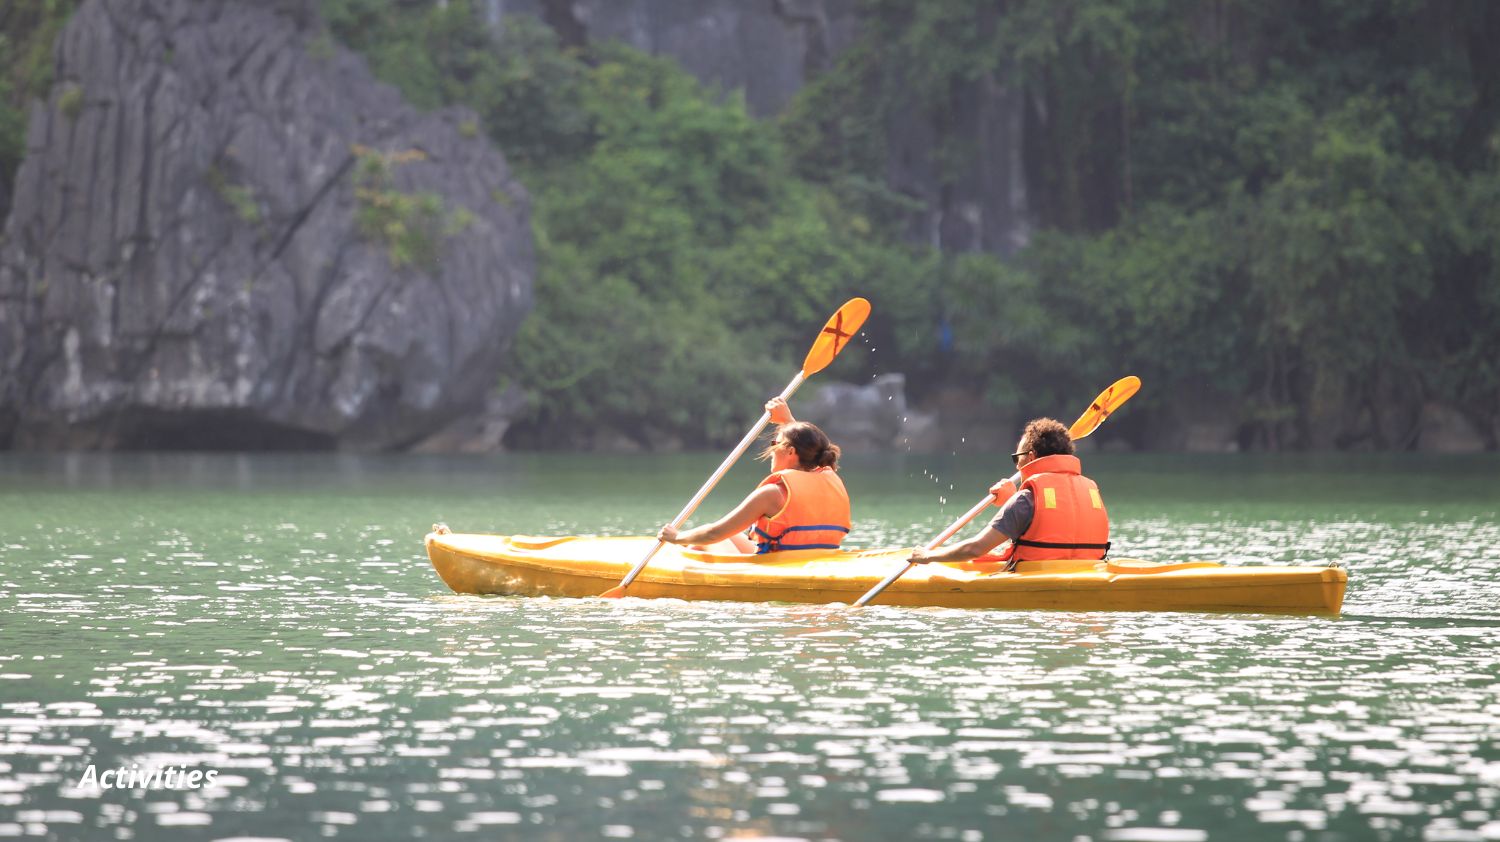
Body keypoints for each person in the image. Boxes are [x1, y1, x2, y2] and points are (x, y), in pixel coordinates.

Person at [658, 397, 851, 555]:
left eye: (776, 443)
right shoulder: (829, 476)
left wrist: (675, 537)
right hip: (817, 561)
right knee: (727, 536)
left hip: (779, 568)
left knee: (700, 543)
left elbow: (713, 534)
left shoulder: (772, 495)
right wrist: (787, 420)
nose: (772, 448)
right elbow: (812, 447)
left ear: (791, 452)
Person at [908, 417, 1109, 567]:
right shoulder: (1091, 490)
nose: (1016, 466)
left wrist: (928, 556)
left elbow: (975, 548)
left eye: (1017, 458)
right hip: (1090, 571)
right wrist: (1012, 500)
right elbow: (1057, 519)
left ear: (1031, 457)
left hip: (1038, 580)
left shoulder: (1026, 500)